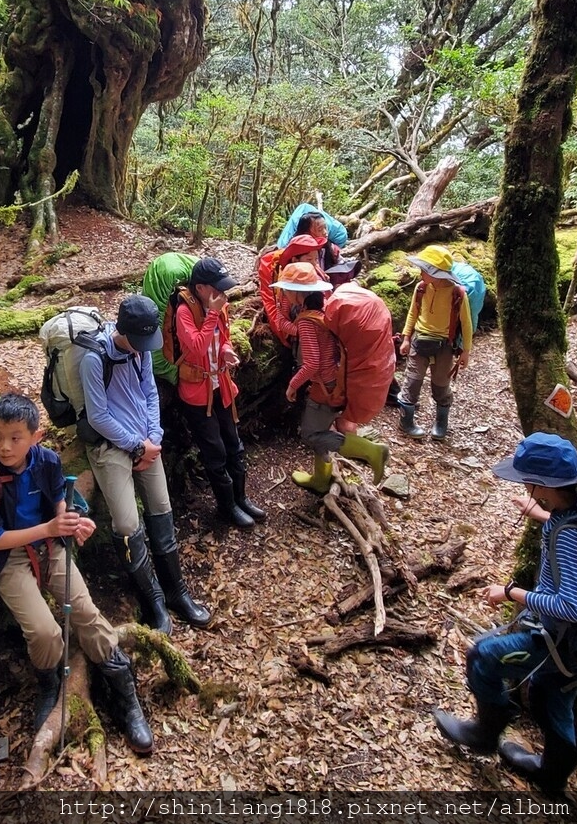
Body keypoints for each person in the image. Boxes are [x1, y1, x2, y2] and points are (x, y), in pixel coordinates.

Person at [0, 393, 153, 753]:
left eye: (15, 437)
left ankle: (125, 693)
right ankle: (49, 684)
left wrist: (71, 522)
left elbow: (58, 503)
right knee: (44, 631)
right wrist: (51, 529)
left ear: (36, 436)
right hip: (9, 556)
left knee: (85, 612)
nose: (5, 446)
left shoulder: (48, 461)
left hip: (50, 547)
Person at [433, 432, 577, 792]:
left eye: (529, 480)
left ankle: (485, 732)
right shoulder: (570, 511)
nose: (525, 484)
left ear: (542, 485)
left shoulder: (569, 535)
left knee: (483, 655)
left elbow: (572, 606)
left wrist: (513, 592)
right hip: (570, 647)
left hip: (563, 645)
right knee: (552, 699)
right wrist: (543, 515)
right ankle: (551, 776)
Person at [79, 294, 211, 634]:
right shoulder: (95, 359)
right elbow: (98, 416)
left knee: (161, 507)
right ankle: (153, 601)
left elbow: (151, 393)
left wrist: (154, 439)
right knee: (126, 523)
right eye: (138, 341)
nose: (142, 349)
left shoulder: (143, 351)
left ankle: (176, 591)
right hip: (111, 447)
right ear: (122, 330)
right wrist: (136, 446)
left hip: (146, 441)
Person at [274, 263, 389, 494]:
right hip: (337, 381)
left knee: (311, 434)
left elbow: (311, 363)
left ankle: (371, 451)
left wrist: (292, 385)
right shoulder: (324, 311)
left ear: (298, 293)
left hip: (324, 386)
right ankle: (321, 479)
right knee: (319, 428)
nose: (284, 294)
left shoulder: (307, 321)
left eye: (286, 289)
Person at [175, 257, 266, 530]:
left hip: (220, 384)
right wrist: (213, 314)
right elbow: (196, 348)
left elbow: (221, 340)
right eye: (217, 288)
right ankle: (226, 507)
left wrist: (226, 351)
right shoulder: (185, 312)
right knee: (215, 452)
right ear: (201, 288)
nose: (223, 294)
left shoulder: (219, 306)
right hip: (197, 393)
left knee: (234, 445)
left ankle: (241, 498)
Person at [398, 244, 472, 442]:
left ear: (437, 273)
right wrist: (406, 338)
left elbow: (466, 323)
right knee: (412, 381)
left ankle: (441, 423)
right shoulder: (421, 288)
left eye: (425, 269)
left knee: (440, 384)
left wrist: (466, 351)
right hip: (419, 341)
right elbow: (413, 313)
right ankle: (406, 422)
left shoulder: (458, 294)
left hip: (444, 346)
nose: (421, 273)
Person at [257, 233, 328, 345]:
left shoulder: (317, 279)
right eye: (309, 260)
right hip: (303, 340)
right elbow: (282, 320)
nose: (314, 264)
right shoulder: (287, 291)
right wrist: (303, 332)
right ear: (295, 260)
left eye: (316, 260)